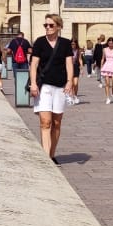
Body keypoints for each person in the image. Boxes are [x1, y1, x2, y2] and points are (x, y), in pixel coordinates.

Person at [27, 14, 74, 162]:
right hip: (44, 86)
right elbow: (33, 64)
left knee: (56, 123)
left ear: (58, 27)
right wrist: (33, 83)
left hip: (60, 87)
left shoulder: (65, 43)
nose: (47, 27)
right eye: (45, 25)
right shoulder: (40, 42)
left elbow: (69, 64)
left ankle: (52, 154)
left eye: (51, 25)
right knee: (45, 122)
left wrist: (69, 81)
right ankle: (46, 158)